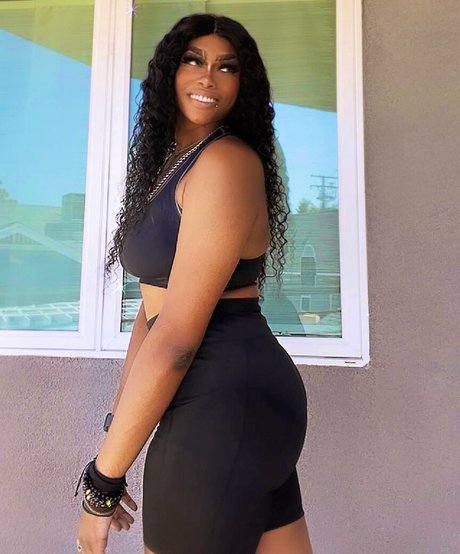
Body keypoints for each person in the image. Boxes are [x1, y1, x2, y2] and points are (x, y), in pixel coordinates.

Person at [76, 13, 312, 554]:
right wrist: (119, 436)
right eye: (193, 60)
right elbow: (150, 315)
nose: (208, 77)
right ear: (169, 72)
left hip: (225, 398)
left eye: (227, 67)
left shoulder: (224, 163)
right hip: (227, 401)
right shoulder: (172, 167)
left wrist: (101, 485)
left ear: (243, 86)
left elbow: (178, 340)